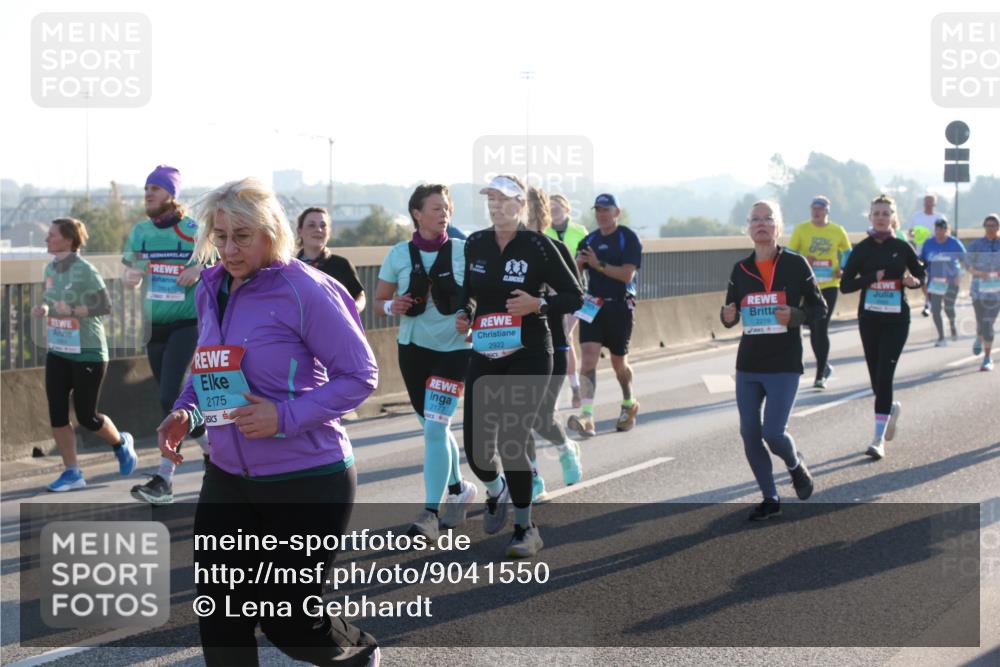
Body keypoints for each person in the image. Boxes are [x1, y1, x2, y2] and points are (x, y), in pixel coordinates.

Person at [159, 178, 380, 666]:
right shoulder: (211, 287)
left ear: (271, 232)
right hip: (228, 478)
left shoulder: (307, 289)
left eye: (242, 236)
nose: (229, 248)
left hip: (308, 479)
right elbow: (211, 366)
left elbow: (361, 375)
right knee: (220, 616)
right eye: (220, 235)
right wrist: (185, 410)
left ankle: (360, 654)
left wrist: (282, 416)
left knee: (291, 622)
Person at [456, 174, 583, 557]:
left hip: (530, 350)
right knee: (477, 449)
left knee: (513, 438)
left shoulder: (539, 246)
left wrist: (538, 304)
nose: (495, 206)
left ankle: (526, 528)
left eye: (503, 199)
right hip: (486, 349)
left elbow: (576, 296)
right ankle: (497, 489)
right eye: (490, 199)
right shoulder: (476, 243)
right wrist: (466, 313)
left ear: (520, 205)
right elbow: (470, 294)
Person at [375, 184, 476, 539]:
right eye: (436, 207)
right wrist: (393, 306)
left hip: (454, 350)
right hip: (413, 350)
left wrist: (472, 318)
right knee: (435, 428)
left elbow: (483, 297)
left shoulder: (466, 251)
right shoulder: (398, 254)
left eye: (446, 207)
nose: (444, 212)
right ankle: (460, 488)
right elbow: (379, 301)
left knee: (435, 427)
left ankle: (431, 512)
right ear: (417, 213)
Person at [720, 200, 821, 520]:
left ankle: (795, 465)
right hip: (749, 363)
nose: (761, 224)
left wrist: (795, 315)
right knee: (750, 433)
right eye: (755, 220)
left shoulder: (796, 264)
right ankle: (770, 497)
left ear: (779, 227)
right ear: (748, 228)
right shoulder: (741, 269)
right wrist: (726, 316)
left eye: (768, 219)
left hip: (784, 363)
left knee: (773, 433)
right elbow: (729, 314)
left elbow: (819, 310)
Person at [124, 165, 210, 505]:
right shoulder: (141, 231)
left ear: (171, 195)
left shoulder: (191, 229)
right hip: (154, 327)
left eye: (155, 190)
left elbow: (219, 262)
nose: (148, 194)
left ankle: (165, 478)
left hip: (186, 324)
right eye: (146, 189)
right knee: (172, 402)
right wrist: (131, 274)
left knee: (169, 398)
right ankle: (212, 454)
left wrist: (197, 268)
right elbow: (131, 266)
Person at [32, 218, 137, 492]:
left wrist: (76, 310)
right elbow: (50, 296)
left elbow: (105, 305)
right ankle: (72, 472)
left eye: (51, 235)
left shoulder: (86, 270)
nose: (47, 240)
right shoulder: (50, 268)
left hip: (88, 352)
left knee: (87, 417)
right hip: (58, 350)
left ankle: (120, 442)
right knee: (56, 412)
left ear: (68, 240)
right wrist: (44, 308)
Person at [841, 194, 925, 460]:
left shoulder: (902, 247)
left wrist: (913, 281)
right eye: (876, 213)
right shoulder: (862, 249)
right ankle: (889, 409)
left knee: (885, 374)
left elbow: (921, 276)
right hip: (869, 319)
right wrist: (870, 278)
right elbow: (845, 286)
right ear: (870, 217)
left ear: (893, 218)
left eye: (886, 213)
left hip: (897, 320)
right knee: (876, 379)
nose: (881, 217)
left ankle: (878, 439)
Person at [567, 193, 643, 438]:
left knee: (618, 362)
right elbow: (574, 277)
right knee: (588, 358)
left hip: (619, 306)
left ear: (616, 213)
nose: (600, 214)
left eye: (605, 210)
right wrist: (578, 265)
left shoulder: (627, 238)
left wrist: (597, 264)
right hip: (592, 307)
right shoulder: (588, 240)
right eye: (597, 210)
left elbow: (626, 275)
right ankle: (587, 416)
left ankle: (629, 403)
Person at [526, 187, 584, 494]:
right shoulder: (501, 252)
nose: (526, 214)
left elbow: (576, 298)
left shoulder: (555, 250)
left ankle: (565, 449)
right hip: (512, 345)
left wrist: (541, 303)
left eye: (534, 208)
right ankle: (532, 477)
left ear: (544, 213)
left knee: (540, 416)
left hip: (553, 343)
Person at [787, 196, 852, 389]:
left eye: (820, 209)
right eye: (813, 208)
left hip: (830, 284)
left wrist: (843, 268)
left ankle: (819, 375)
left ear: (827, 211)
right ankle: (824, 367)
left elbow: (848, 253)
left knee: (820, 326)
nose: (816, 212)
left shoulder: (837, 230)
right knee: (813, 328)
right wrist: (804, 258)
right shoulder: (801, 229)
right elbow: (790, 254)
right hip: (808, 286)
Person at [546, 193, 588, 407]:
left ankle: (574, 387)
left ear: (566, 209)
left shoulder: (579, 231)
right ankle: (562, 388)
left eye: (556, 208)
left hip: (575, 293)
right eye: (549, 208)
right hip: (552, 295)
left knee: (566, 335)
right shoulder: (545, 232)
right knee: (558, 339)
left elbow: (587, 260)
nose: (553, 212)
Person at [295, 206, 366, 312]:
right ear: (299, 231)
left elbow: (359, 295)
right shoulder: (291, 268)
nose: (318, 229)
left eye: (323, 226)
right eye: (311, 225)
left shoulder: (342, 265)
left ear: (329, 232)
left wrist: (355, 308)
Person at [920, 218, 967, 346]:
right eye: (937, 229)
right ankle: (941, 337)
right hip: (935, 282)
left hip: (951, 281)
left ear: (947, 230)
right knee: (935, 309)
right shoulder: (928, 244)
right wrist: (923, 280)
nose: (939, 231)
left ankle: (952, 326)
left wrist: (960, 275)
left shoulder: (954, 243)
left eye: (942, 229)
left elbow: (966, 261)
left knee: (948, 308)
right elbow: (922, 262)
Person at [967, 213, 1000, 371]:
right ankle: (978, 337)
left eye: (994, 225)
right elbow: (968, 265)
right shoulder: (976, 245)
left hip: (996, 292)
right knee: (981, 321)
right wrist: (980, 274)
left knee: (988, 322)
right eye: (988, 225)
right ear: (984, 227)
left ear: (998, 227)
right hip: (978, 290)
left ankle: (987, 358)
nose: (991, 228)